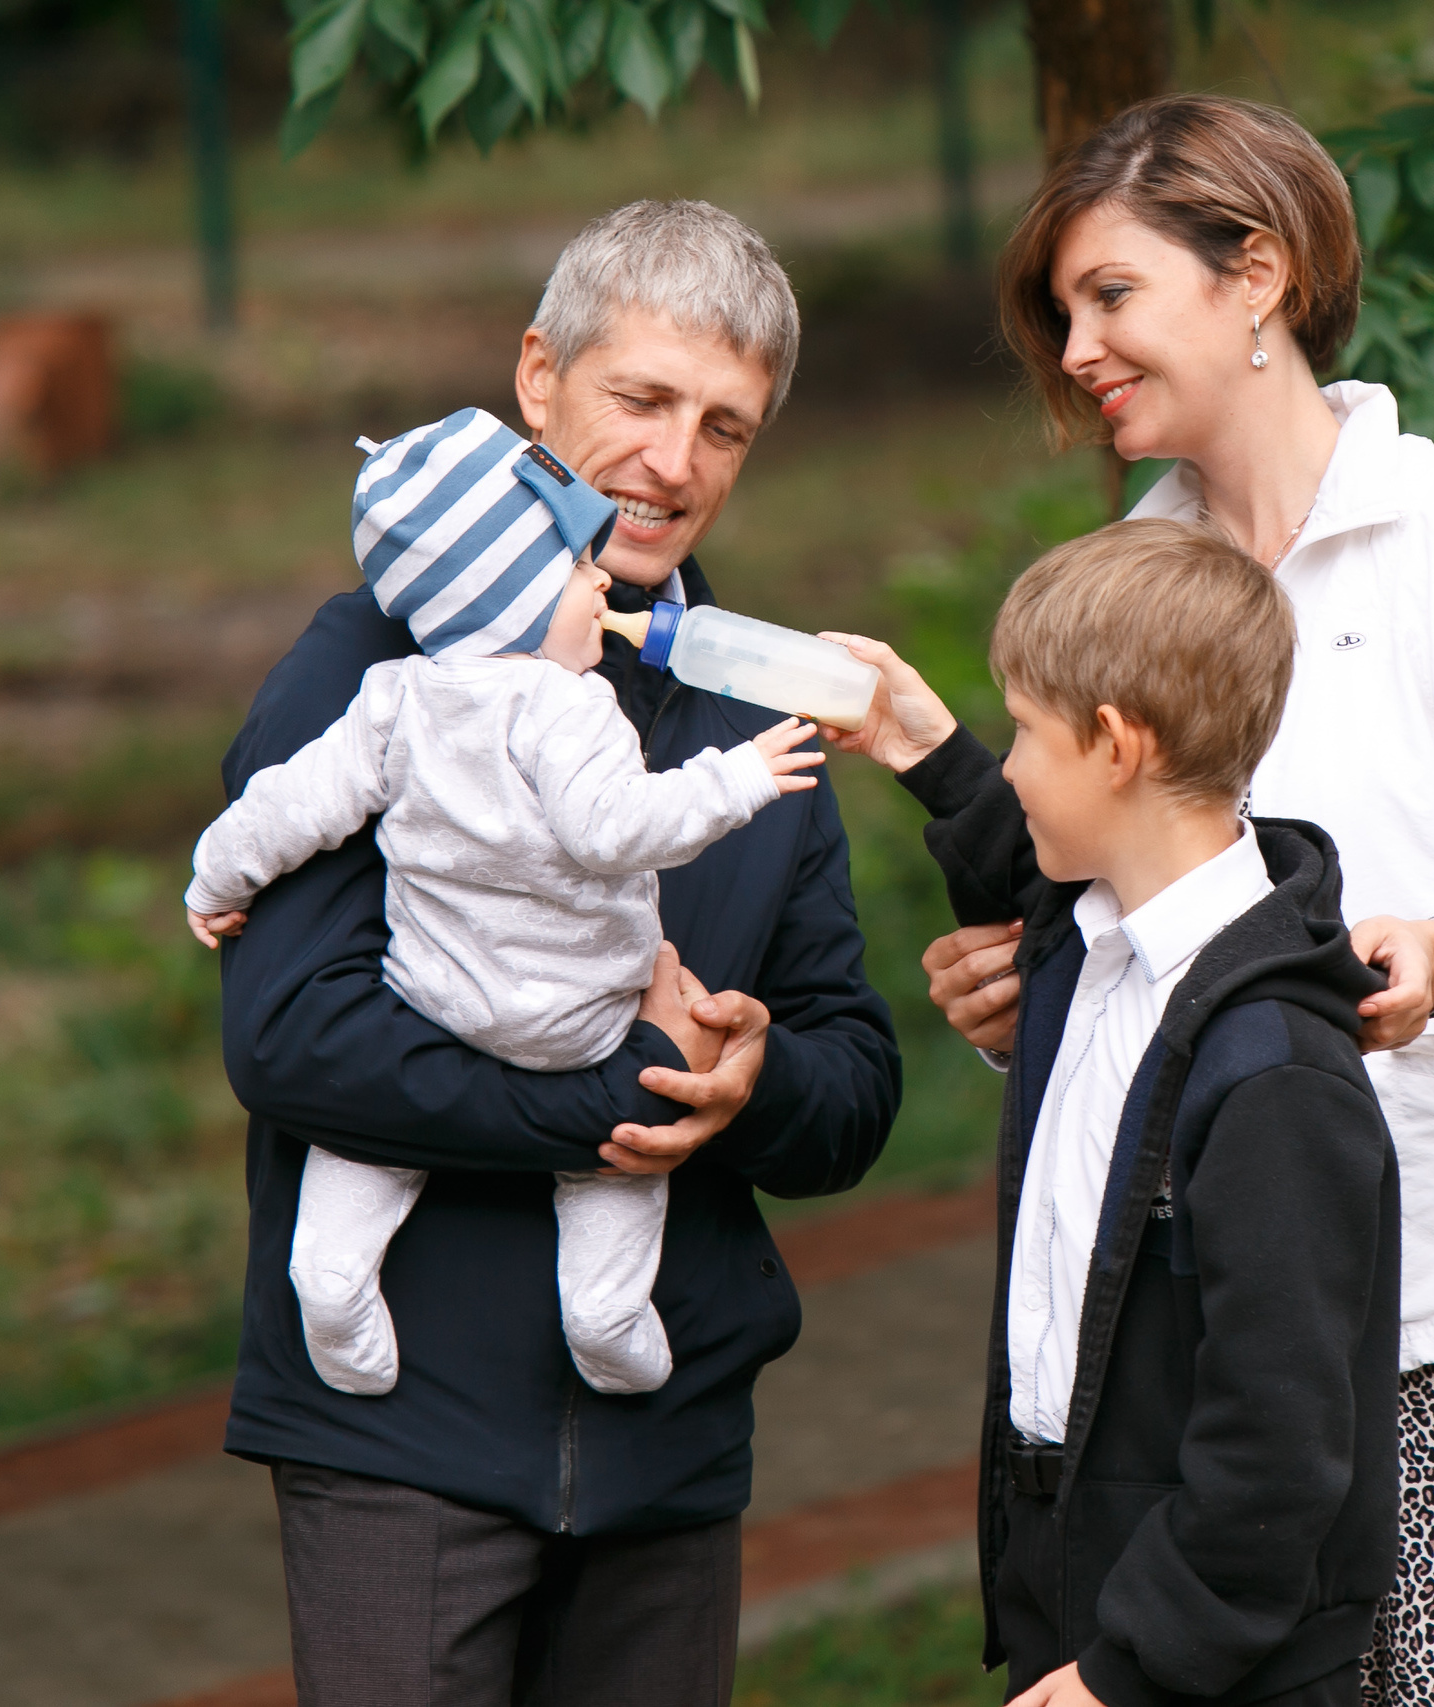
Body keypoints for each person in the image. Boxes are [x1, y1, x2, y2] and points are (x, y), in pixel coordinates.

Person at [834, 97, 1434, 1705]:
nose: (1077, 348)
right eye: (1061, 311)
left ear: (1259, 276)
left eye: (1109, 295)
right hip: (1217, 1348)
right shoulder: (1135, 582)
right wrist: (1048, 986)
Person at [212, 200, 899, 1706]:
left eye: (725, 425)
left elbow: (854, 1078)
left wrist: (756, 1083)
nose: (673, 461)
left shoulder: (752, 714)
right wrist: (616, 1105)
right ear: (540, 379)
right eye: (641, 400)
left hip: (667, 1453)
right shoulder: (370, 677)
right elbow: (293, 1038)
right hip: (404, 1444)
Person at [185, 406, 824, 1401]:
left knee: (364, 1152)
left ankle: (332, 1281)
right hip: (582, 1023)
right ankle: (608, 1318)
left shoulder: (395, 697)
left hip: (437, 1001)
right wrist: (740, 777)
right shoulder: (572, 708)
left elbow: (291, 808)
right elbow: (619, 828)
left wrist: (215, 881)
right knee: (613, 1172)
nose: (600, 578)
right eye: (575, 570)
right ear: (513, 598)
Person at [872, 518, 1401, 1707]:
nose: (1005, 765)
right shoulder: (1088, 943)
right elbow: (1024, 855)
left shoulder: (1273, 1075)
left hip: (1201, 1665)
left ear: (1114, 744)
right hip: (1074, 1603)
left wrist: (1129, 1671)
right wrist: (921, 751)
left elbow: (1278, 1448)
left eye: (1022, 732)